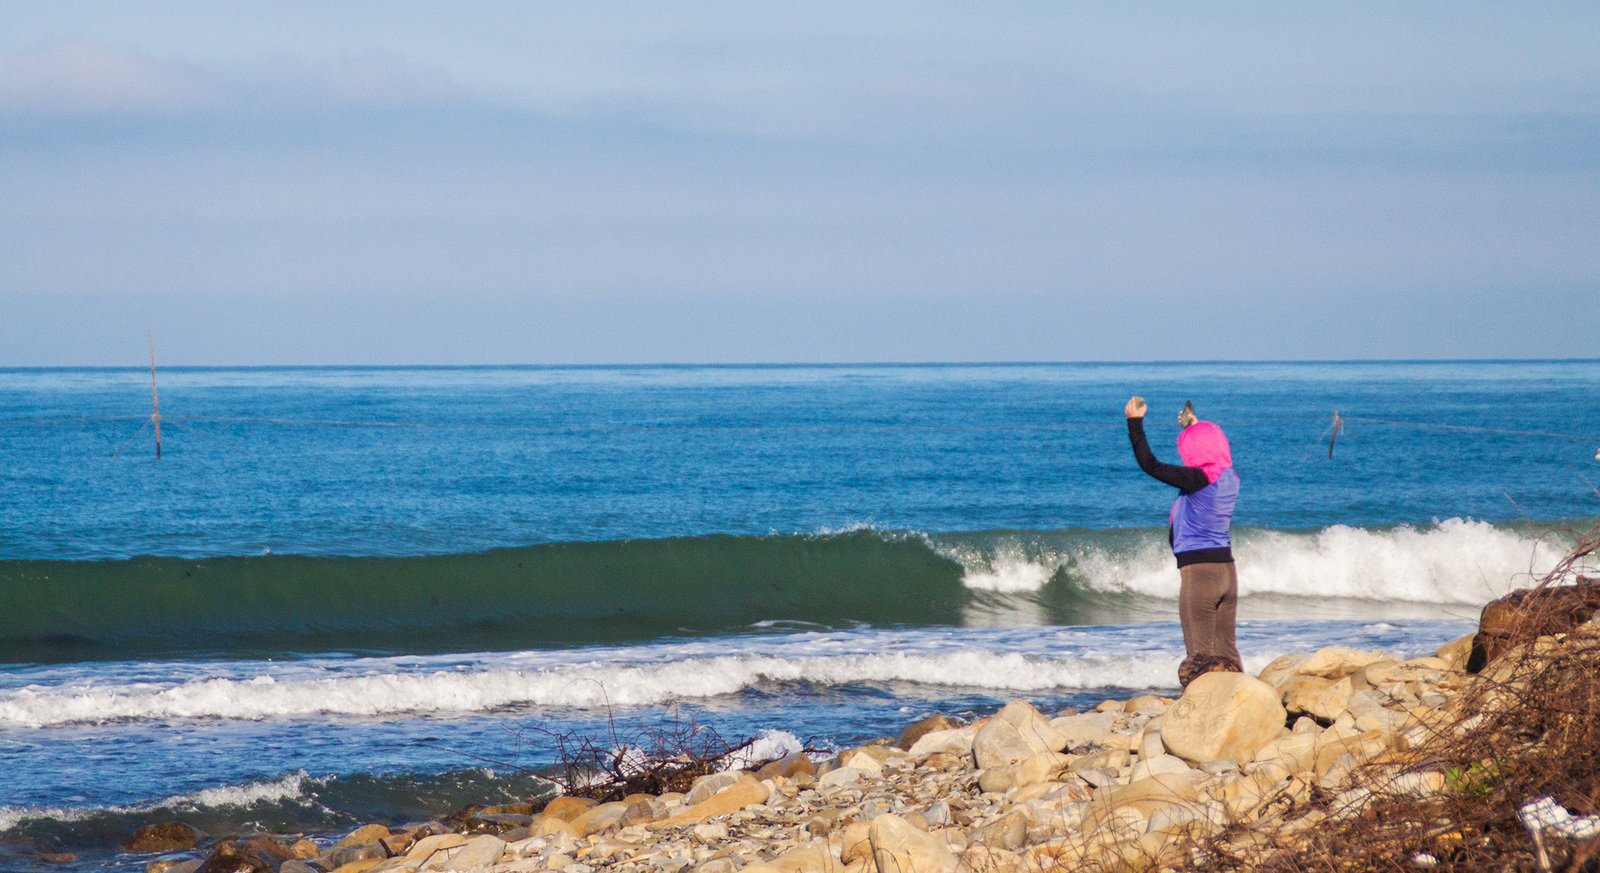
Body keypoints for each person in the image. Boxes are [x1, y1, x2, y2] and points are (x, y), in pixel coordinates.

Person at [1124, 396, 1242, 687]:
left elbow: (1149, 464)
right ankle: (1244, 707)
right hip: (1227, 571)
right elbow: (1209, 444)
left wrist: (1134, 423)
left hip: (1200, 575)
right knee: (1227, 654)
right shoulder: (1229, 477)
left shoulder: (1197, 479)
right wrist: (1193, 423)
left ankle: (1202, 720)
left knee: (1200, 660)